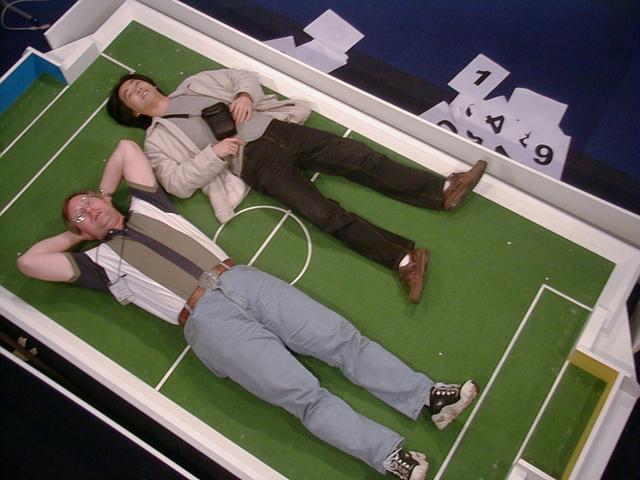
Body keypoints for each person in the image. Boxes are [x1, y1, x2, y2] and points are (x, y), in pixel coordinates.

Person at [18, 140, 479, 480]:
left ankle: (427, 397)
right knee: (301, 395)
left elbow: (124, 149)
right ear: (79, 232)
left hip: (241, 280)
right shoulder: (97, 264)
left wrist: (99, 196)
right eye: (80, 216)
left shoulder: (148, 205)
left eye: (90, 203)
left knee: (340, 339)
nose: (89, 212)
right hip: (207, 323)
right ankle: (388, 457)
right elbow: (29, 262)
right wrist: (76, 234)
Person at [107, 69, 487, 304]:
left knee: (359, 156)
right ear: (134, 113)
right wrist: (213, 153)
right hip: (254, 163)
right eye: (129, 94)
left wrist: (244, 96)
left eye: (137, 82)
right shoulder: (157, 140)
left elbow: (242, 76)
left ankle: (442, 190)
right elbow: (177, 183)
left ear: (151, 82)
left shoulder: (195, 82)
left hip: (278, 129)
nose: (136, 88)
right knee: (323, 214)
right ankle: (404, 259)